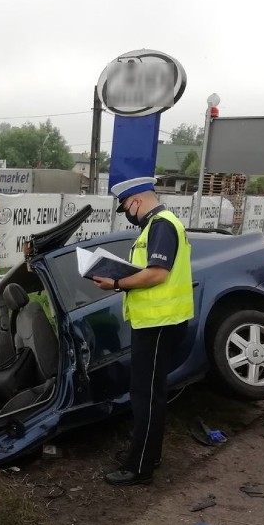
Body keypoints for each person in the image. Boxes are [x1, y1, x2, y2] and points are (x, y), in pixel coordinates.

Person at [89, 177, 194, 486]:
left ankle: (140, 468)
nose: (127, 214)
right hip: (156, 322)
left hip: (159, 323)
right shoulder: (159, 225)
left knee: (145, 395)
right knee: (150, 393)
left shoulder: (161, 225)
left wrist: (117, 283)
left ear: (135, 201)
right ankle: (147, 454)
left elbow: (158, 273)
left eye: (125, 208)